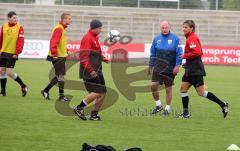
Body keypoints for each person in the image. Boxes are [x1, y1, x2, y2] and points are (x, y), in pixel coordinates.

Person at [179, 20, 228, 118]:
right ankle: (185, 114)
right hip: (190, 69)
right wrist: (187, 63)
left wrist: (184, 56)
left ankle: (223, 104)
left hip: (195, 70)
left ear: (191, 28)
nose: (183, 29)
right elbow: (198, 53)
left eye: (186, 27)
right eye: (183, 27)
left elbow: (197, 52)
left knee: (201, 93)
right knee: (183, 89)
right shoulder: (190, 38)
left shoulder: (192, 38)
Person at [74, 19, 108, 121]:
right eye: (100, 28)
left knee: (103, 92)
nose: (101, 30)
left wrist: (103, 58)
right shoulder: (87, 38)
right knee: (97, 92)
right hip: (89, 71)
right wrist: (91, 70)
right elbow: (83, 57)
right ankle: (79, 108)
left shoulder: (95, 37)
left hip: (97, 69)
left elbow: (97, 52)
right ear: (94, 28)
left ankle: (94, 115)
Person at [148, 20, 183, 115]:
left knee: (168, 89)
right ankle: (158, 105)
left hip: (170, 68)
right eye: (162, 28)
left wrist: (177, 65)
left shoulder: (175, 39)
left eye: (166, 27)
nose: (164, 29)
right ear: (160, 28)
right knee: (153, 86)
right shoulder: (156, 39)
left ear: (169, 28)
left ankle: (167, 108)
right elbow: (152, 53)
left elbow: (179, 53)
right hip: (158, 67)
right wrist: (150, 66)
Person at [41, 13, 71, 101]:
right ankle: (61, 96)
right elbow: (53, 42)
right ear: (64, 19)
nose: (70, 20)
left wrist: (67, 51)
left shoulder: (62, 28)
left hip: (60, 55)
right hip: (57, 56)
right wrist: (54, 54)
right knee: (61, 76)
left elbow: (61, 42)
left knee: (59, 76)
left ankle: (46, 91)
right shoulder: (59, 29)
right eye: (69, 18)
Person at [0, 11, 27, 97]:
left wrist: (17, 52)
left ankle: (23, 85)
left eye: (16, 17)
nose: (16, 19)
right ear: (9, 18)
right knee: (1, 71)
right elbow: (1, 39)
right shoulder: (4, 26)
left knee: (9, 72)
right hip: (3, 52)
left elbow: (21, 41)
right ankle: (3, 92)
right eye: (14, 18)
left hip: (12, 53)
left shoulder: (20, 28)